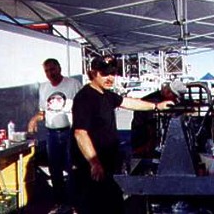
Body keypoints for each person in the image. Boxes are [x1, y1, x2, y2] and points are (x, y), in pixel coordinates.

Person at [71, 55, 174, 214]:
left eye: (113, 73)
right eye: (105, 73)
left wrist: (157, 106)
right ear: (93, 73)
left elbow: (128, 102)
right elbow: (80, 133)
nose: (110, 77)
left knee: (114, 206)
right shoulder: (85, 97)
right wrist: (94, 163)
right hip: (93, 168)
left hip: (109, 164)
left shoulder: (107, 95)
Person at [27, 58, 82, 214]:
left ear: (59, 68)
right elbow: (43, 112)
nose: (50, 73)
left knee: (73, 169)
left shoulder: (73, 84)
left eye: (53, 69)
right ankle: (59, 202)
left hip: (70, 132)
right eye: (47, 71)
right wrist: (34, 119)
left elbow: (83, 107)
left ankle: (74, 204)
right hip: (52, 133)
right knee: (54, 170)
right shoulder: (43, 88)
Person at [131, 80, 187, 158]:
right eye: (174, 96)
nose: (175, 99)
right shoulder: (152, 100)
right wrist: (150, 143)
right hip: (142, 130)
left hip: (147, 130)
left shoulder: (163, 97)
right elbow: (151, 126)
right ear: (169, 92)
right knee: (143, 153)